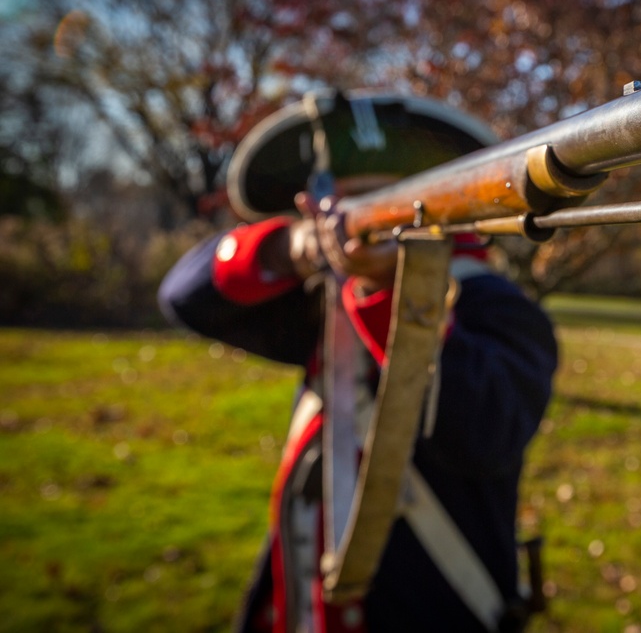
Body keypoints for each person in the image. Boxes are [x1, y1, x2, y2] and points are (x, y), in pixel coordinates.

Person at [158, 93, 558, 633]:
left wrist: (388, 290)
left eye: (385, 202)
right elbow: (186, 295)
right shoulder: (322, 297)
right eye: (351, 204)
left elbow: (483, 430)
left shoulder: (496, 305)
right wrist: (292, 249)